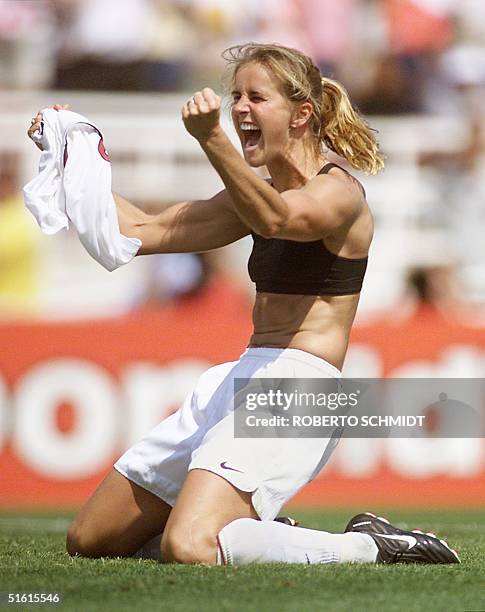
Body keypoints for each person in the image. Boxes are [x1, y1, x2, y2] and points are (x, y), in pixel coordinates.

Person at [28, 42, 459, 566]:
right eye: (236, 97)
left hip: (300, 387)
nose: (238, 109)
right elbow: (143, 230)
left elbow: (280, 219)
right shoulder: (253, 194)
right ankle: (257, 535)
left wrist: (211, 139)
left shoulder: (339, 192)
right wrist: (72, 156)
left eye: (256, 97)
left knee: (189, 545)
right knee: (91, 539)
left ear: (302, 114)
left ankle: (375, 545)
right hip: (240, 379)